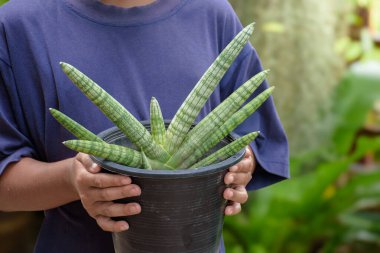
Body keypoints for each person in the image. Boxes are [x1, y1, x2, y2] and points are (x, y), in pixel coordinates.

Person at [0, 0, 289, 252]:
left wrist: (239, 168)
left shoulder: (212, 13)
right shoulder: (17, 25)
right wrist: (71, 179)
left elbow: (251, 143)